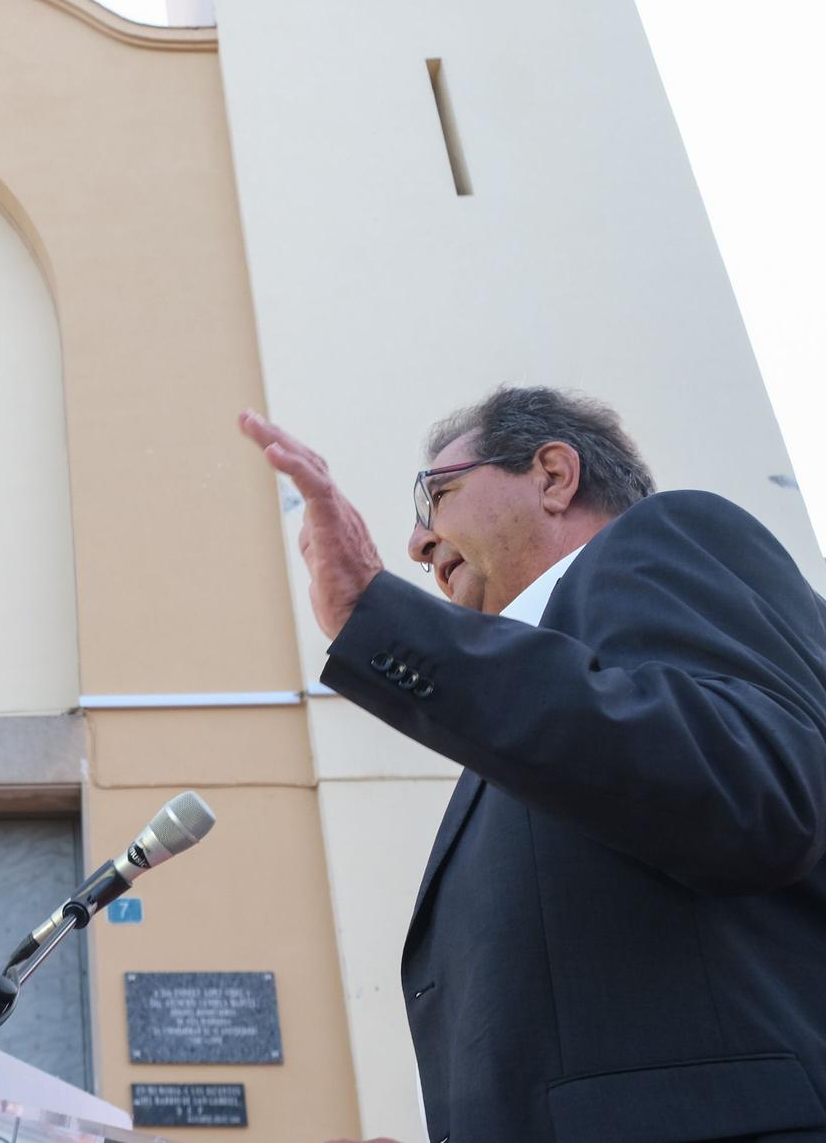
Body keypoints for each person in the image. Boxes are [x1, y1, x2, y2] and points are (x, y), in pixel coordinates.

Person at [240, 386, 826, 1143]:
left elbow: (757, 794)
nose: (417, 543)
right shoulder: (523, 704)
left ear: (553, 475)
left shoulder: (666, 539)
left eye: (438, 496)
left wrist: (379, 621)